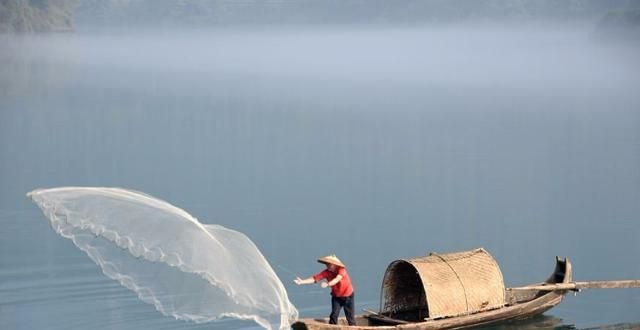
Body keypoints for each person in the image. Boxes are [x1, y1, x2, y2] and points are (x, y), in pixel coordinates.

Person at [294, 254, 355, 325]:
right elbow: (315, 278)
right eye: (327, 264)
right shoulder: (326, 272)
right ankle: (332, 328)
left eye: (329, 264)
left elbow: (337, 279)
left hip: (348, 296)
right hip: (336, 297)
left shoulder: (341, 270)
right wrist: (302, 282)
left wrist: (327, 284)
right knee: (334, 315)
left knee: (350, 317)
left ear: (335, 264)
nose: (327, 266)